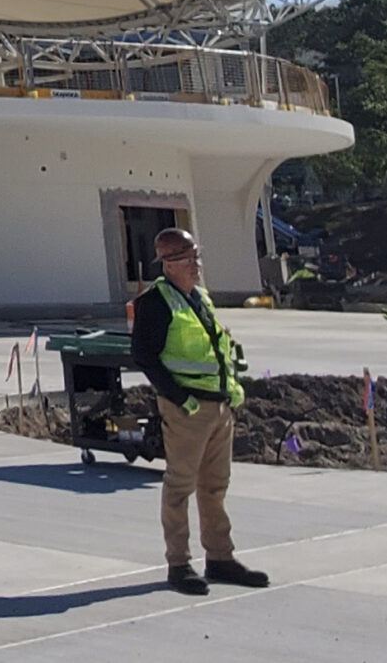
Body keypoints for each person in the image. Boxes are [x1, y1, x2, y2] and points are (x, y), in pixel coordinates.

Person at [128, 227, 270, 595]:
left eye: (196, 257)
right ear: (170, 265)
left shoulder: (199, 298)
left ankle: (220, 557)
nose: (197, 265)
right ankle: (179, 564)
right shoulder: (156, 303)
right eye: (189, 260)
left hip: (218, 405)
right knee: (180, 486)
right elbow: (145, 356)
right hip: (187, 408)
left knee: (215, 486)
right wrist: (177, 397)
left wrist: (232, 391)